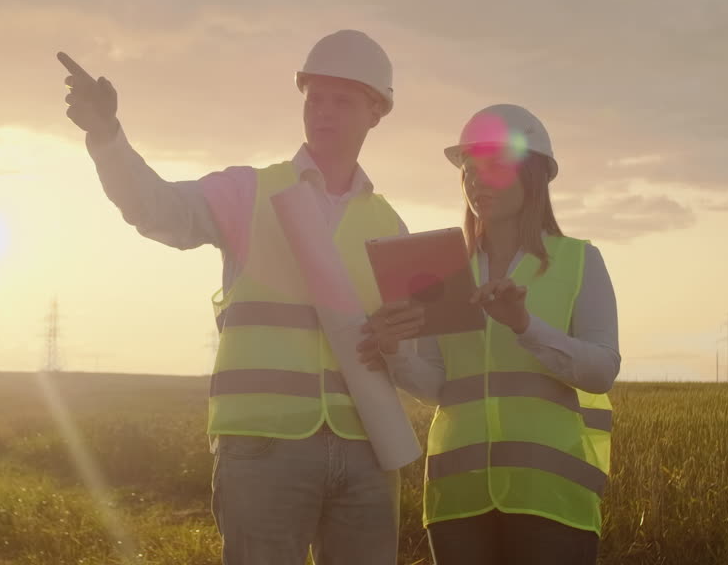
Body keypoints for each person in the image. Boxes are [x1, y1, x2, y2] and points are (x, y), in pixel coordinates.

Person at [58, 30, 411, 565]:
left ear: (376, 110)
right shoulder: (249, 191)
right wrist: (107, 136)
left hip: (366, 446)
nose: (323, 111)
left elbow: (407, 343)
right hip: (263, 444)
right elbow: (158, 209)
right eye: (315, 97)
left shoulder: (389, 224)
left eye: (342, 100)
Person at [359, 104, 620, 565]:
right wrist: (394, 349)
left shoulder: (580, 262)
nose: (477, 181)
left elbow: (602, 371)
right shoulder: (441, 269)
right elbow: (439, 386)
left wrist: (525, 325)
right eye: (469, 170)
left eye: (495, 167)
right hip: (458, 498)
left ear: (533, 175)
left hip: (551, 494)